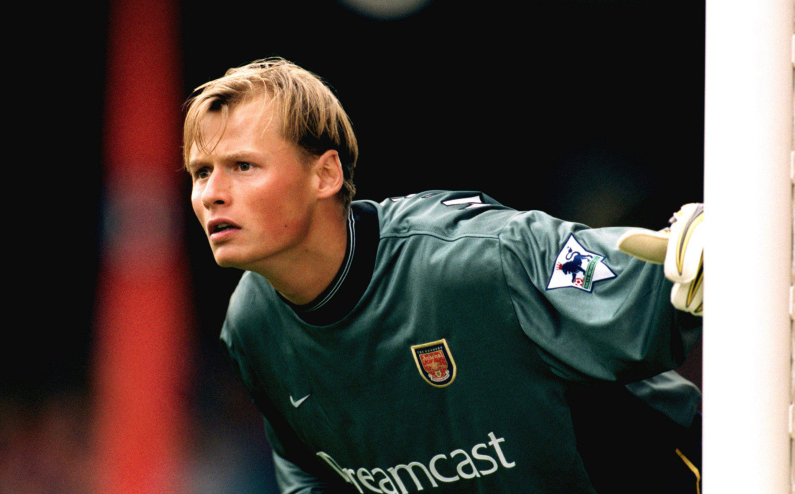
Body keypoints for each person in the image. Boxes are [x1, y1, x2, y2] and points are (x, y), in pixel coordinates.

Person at [183, 57, 704, 494]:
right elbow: (309, 471)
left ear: (326, 174)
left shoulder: (474, 258)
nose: (211, 194)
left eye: (243, 166)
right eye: (202, 172)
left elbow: (645, 279)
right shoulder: (251, 326)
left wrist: (705, 252)